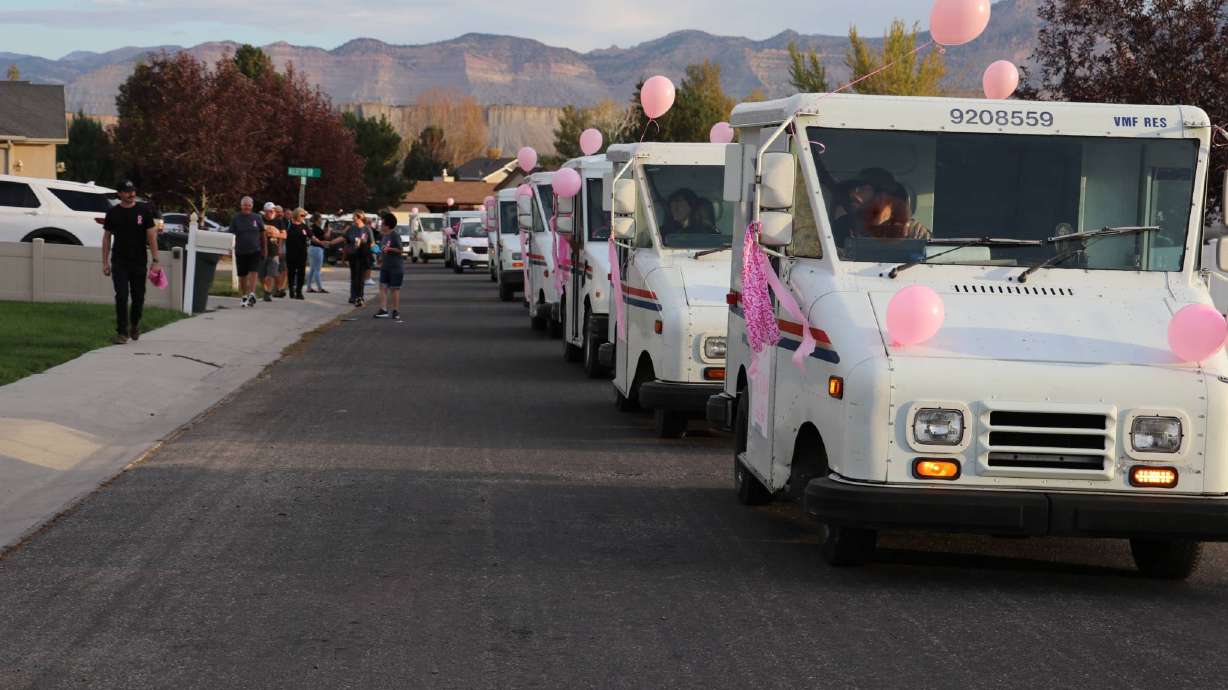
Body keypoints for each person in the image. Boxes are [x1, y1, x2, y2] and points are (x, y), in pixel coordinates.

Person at [101, 180, 159, 343]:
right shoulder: (113, 213)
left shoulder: (144, 210)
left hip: (139, 261)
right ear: (119, 194)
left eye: (133, 190)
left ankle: (134, 324)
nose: (131, 194)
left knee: (138, 297)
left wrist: (155, 260)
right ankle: (122, 332)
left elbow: (152, 236)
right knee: (121, 295)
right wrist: (105, 262)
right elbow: (106, 238)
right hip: (119, 261)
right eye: (127, 191)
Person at [832, 168, 931, 243]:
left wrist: (920, 235)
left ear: (885, 197)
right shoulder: (839, 227)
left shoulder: (910, 231)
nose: (852, 193)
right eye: (852, 188)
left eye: (863, 188)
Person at [227, 196, 265, 308]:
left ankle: (252, 294)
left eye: (249, 205)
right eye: (245, 205)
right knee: (242, 275)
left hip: (255, 250)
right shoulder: (236, 218)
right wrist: (229, 248)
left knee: (254, 271)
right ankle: (244, 295)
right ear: (241, 206)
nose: (247, 207)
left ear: (252, 206)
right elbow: (231, 235)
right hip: (240, 251)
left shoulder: (257, 218)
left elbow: (263, 234)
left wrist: (264, 249)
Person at [374, 212, 404, 320]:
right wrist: (380, 257)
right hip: (385, 266)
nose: (381, 226)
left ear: (387, 225)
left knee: (394, 289)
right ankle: (383, 309)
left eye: (382, 224)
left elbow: (401, 250)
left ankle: (395, 311)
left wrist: (389, 249)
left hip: (396, 266)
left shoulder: (395, 236)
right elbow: (383, 249)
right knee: (382, 286)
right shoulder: (384, 236)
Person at [259, 202, 285, 301]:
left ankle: (268, 292)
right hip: (261, 251)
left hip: (274, 251)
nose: (270, 213)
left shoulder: (279, 221)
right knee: (261, 275)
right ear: (264, 211)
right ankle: (266, 290)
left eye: (272, 211)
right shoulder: (260, 220)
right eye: (268, 211)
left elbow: (284, 235)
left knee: (271, 274)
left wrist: (275, 233)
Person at [344, 211, 371, 307]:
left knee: (360, 278)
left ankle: (360, 296)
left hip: (362, 256)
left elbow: (371, 242)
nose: (352, 218)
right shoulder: (351, 228)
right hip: (353, 255)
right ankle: (353, 296)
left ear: (359, 217)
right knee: (354, 276)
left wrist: (365, 244)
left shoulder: (367, 229)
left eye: (354, 217)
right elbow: (345, 240)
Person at [284, 207, 310, 299]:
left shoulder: (304, 226)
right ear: (296, 215)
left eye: (304, 215)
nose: (303, 217)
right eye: (302, 215)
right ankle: (291, 289)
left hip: (302, 253)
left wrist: (321, 242)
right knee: (291, 272)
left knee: (301, 273)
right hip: (291, 253)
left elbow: (311, 236)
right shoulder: (289, 224)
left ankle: (299, 292)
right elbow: (283, 234)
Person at [306, 213, 330, 293]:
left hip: (312, 248)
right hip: (317, 249)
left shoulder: (312, 227)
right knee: (317, 270)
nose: (321, 220)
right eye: (320, 218)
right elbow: (326, 237)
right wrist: (329, 230)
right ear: (317, 219)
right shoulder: (317, 228)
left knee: (312, 269)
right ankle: (320, 288)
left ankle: (309, 287)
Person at [275, 205, 290, 297]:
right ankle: (278, 288)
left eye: (280, 212)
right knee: (275, 270)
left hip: (284, 249)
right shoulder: (273, 222)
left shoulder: (286, 222)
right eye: (277, 212)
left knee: (284, 269)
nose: (279, 213)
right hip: (275, 249)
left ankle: (281, 288)